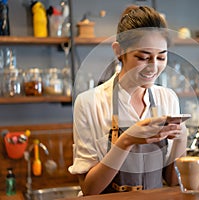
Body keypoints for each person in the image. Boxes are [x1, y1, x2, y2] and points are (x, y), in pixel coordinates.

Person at [68, 5, 187, 196]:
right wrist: (126, 141)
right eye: (143, 57)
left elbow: (173, 182)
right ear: (118, 51)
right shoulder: (89, 103)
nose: (153, 67)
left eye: (161, 57)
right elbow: (89, 189)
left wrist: (182, 139)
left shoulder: (168, 98)